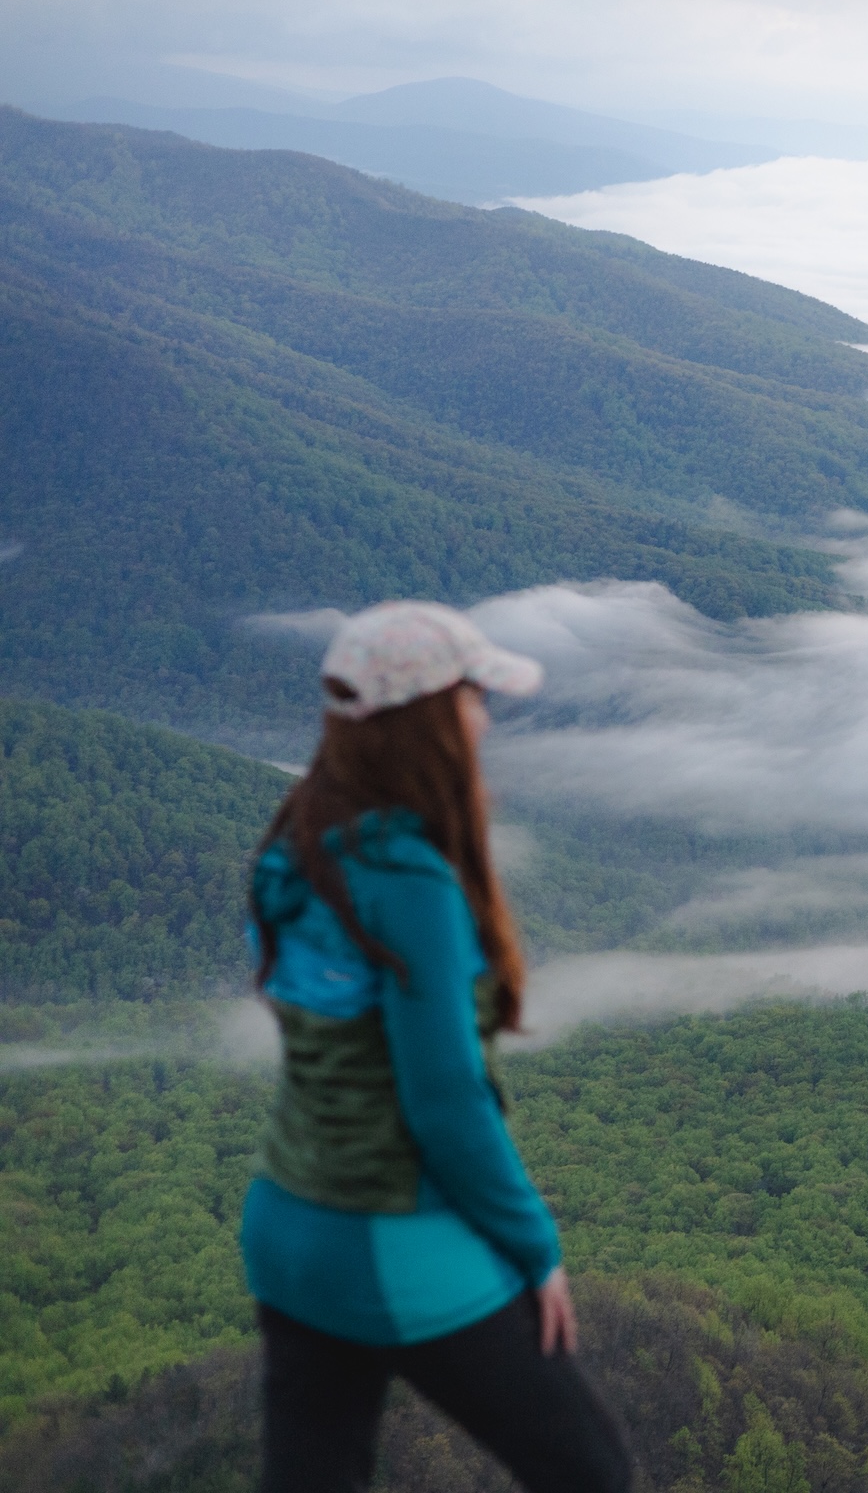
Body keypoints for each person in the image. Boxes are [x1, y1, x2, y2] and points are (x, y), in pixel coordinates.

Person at [241, 601, 631, 1493]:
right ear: (428, 719)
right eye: (470, 696)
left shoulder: (302, 840)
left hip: (285, 1225)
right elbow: (447, 1099)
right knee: (593, 1472)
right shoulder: (411, 880)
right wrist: (536, 1247)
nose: (484, 717)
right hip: (387, 1235)